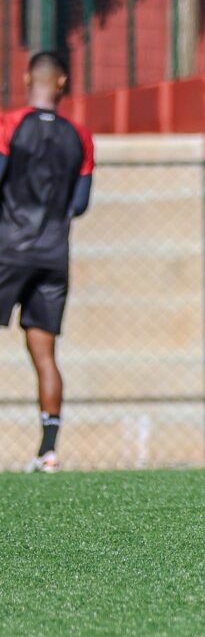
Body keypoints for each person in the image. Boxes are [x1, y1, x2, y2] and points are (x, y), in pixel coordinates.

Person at [0, 51, 94, 473]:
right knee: (44, 354)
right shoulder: (80, 136)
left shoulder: (8, 125)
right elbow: (81, 204)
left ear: (26, 79)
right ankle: (49, 452)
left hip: (8, 249)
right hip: (54, 255)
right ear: (62, 83)